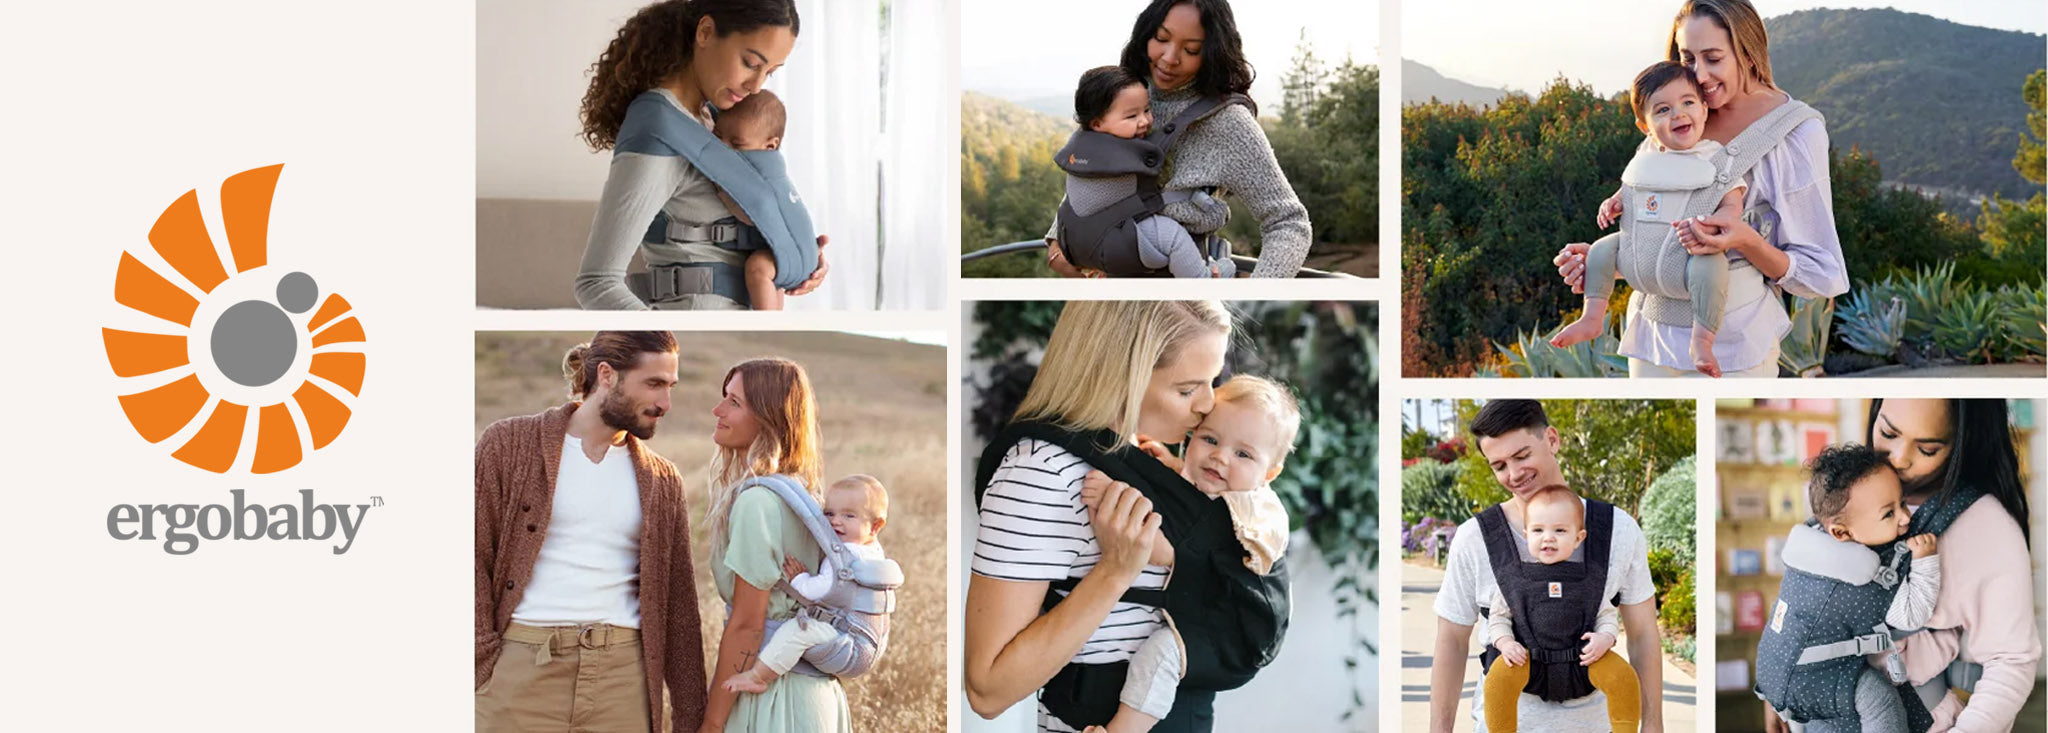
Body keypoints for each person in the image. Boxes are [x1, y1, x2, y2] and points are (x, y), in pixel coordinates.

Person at [964, 301, 1241, 732]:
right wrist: (1115, 570)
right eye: (1187, 389)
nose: (1208, 404)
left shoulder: (1145, 456)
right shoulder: (1041, 473)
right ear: (1119, 376)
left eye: (1213, 381)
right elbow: (986, 689)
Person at [1555, 0, 1849, 377]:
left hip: (1737, 345)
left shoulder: (1795, 133)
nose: (1700, 75)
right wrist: (1605, 264)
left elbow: (1818, 272)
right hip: (1651, 339)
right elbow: (1656, 232)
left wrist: (1747, 241)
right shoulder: (1673, 114)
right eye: (1687, 58)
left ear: (1747, 52)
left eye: (1713, 58)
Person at [474, 331, 705, 733]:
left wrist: (691, 716)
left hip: (622, 683)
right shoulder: (508, 445)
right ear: (607, 375)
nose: (664, 403)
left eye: (670, 387)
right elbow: (470, 554)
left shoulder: (662, 479)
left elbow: (678, 604)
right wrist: (482, 660)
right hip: (520, 672)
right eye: (653, 384)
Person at [1761, 400, 2040, 732]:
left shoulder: (1985, 525)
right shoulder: (1853, 497)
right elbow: (1806, 603)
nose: (1898, 458)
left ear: (1964, 441)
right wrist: (1779, 693)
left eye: (1927, 448)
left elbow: (2012, 662)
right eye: (1888, 432)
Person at [1072, 375, 1300, 733]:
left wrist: (1114, 495)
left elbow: (1166, 550)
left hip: (1233, 630)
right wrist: (1168, 466)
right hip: (1215, 612)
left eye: (1243, 454)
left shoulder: (1247, 515)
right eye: (1210, 439)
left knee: (1160, 656)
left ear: (1269, 473)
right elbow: (1195, 500)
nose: (1220, 457)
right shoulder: (1225, 487)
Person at [574, 0, 829, 310]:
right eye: (750, 63)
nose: (756, 86)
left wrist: (794, 254)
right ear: (706, 32)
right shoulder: (658, 129)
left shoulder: (714, 121)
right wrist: (664, 340)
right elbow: (597, 282)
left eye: (770, 73)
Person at [1429, 400, 1663, 733]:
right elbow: (1451, 640)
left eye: (1522, 456)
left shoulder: (1618, 530)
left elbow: (1642, 635)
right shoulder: (1475, 538)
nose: (1513, 475)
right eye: (1499, 466)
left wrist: (1653, 727)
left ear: (1552, 440)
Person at [1044, 0, 1311, 278]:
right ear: (1146, 33)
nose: (1170, 58)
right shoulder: (1130, 94)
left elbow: (1288, 221)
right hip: (1109, 275)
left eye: (1191, 49)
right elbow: (1098, 171)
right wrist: (1058, 238)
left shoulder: (1228, 123)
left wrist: (1253, 300)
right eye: (1161, 38)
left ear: (1212, 51)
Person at [1549, 61, 1748, 377]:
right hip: (1640, 253)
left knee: (1713, 267)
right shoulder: (1646, 159)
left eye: (1688, 103)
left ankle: (1702, 339)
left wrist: (1711, 227)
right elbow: (1630, 190)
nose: (1678, 114)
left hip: (1689, 255)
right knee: (1601, 249)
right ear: (1646, 126)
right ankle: (1592, 317)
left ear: (1704, 110)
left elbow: (1732, 203)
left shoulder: (1715, 157)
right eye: (1663, 110)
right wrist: (1612, 203)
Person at [699, 358, 852, 732]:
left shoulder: (758, 501)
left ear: (769, 418)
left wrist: (713, 723)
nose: (718, 410)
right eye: (724, 398)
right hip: (817, 698)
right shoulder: (805, 494)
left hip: (770, 696)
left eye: (734, 403)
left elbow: (748, 626)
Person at [1756, 445, 1940, 732]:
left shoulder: (1807, 551)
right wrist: (1926, 561)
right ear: (1842, 533)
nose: (1906, 517)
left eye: (1902, 503)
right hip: (1812, 676)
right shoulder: (1867, 577)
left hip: (1774, 667)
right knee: (1882, 703)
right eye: (1888, 514)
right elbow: (1912, 615)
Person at [1481, 486, 1641, 733]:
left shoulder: (1591, 579)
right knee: (1497, 680)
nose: (1548, 537)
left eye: (1559, 530)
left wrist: (1605, 638)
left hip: (1583, 661)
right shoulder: (1514, 580)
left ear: (1579, 538)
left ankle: (1625, 729)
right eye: (1538, 530)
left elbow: (1606, 616)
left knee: (1623, 678)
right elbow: (1498, 618)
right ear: (1526, 535)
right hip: (1528, 661)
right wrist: (1505, 643)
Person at [1054, 66, 1233, 278]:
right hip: (1118, 245)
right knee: (1171, 235)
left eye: (1147, 110)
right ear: (1097, 123)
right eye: (1131, 116)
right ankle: (1202, 280)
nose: (1145, 121)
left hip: (1075, 243)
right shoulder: (1123, 156)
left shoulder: (1082, 149)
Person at [721, 474, 894, 694]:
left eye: (849, 516)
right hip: (867, 645)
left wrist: (798, 579)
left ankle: (758, 677)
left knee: (798, 631)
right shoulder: (873, 552)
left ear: (875, 526)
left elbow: (817, 591)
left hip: (849, 647)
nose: (835, 521)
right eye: (829, 513)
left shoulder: (846, 557)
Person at [705, 90, 814, 310]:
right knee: (772, 281)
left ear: (770, 146)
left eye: (737, 144)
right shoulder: (772, 169)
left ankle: (767, 326)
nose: (724, 149)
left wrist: (719, 185)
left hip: (791, 254)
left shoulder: (761, 175)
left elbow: (748, 211)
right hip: (801, 252)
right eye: (718, 137)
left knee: (758, 268)